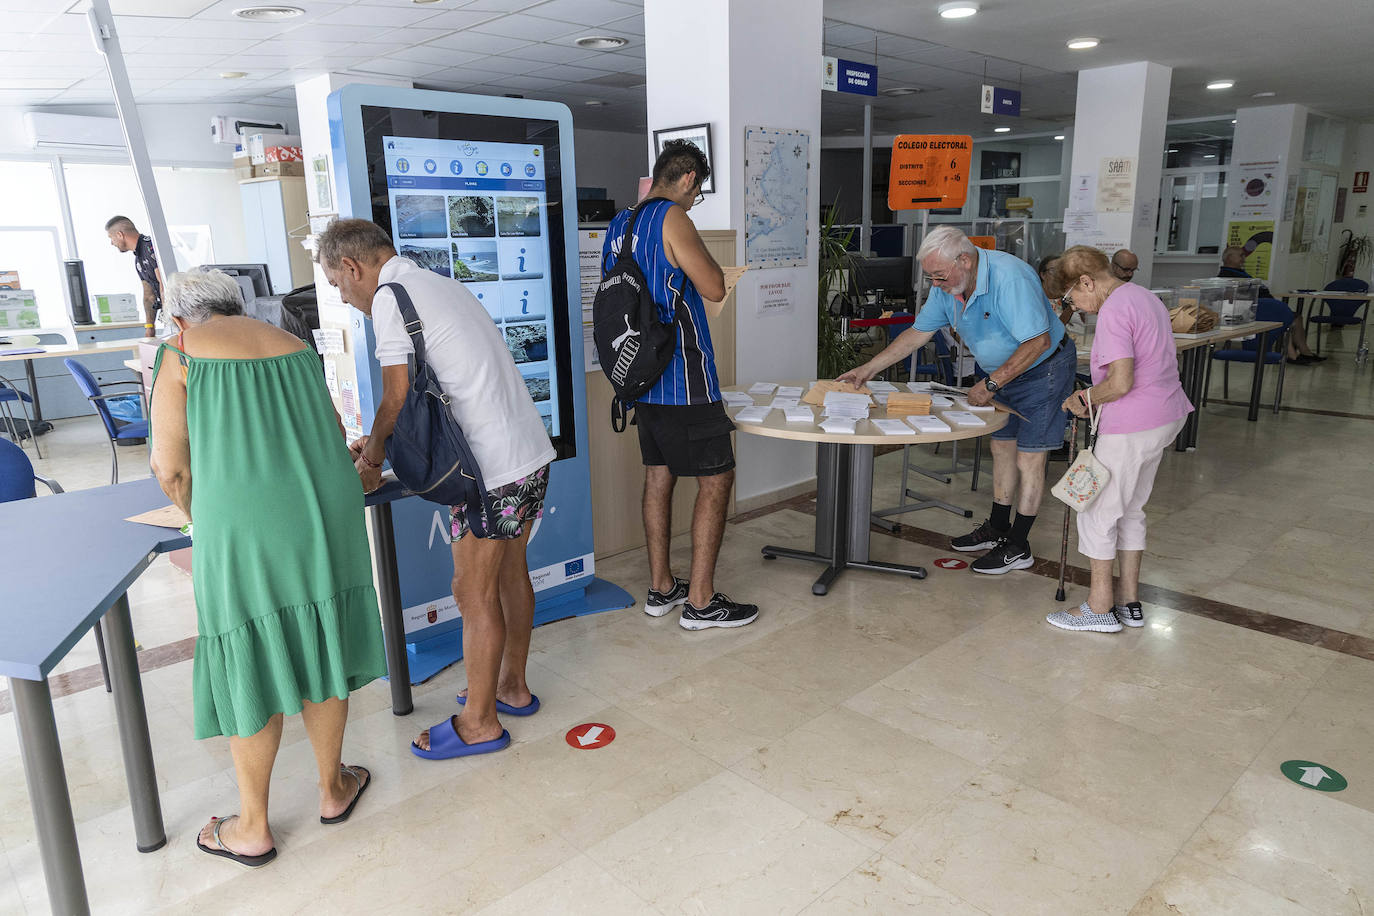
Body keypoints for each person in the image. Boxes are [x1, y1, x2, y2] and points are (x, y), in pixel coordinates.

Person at [148, 269, 386, 867]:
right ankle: (333, 789)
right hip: (322, 514)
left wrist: (201, 515)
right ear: (238, 304)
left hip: (243, 528)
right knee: (323, 641)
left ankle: (252, 826)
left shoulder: (178, 355)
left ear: (179, 319)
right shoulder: (298, 348)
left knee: (249, 654)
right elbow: (334, 437)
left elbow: (169, 468)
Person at [316, 218, 556, 760]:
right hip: (527, 455)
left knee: (472, 592)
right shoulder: (438, 282)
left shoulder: (387, 298)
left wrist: (372, 456)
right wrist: (376, 441)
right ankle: (511, 687)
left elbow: (397, 396)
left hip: (488, 472)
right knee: (510, 573)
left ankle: (479, 723)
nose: (342, 295)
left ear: (352, 267)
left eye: (336, 284)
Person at [840, 226, 1075, 575]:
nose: (936, 284)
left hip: (1043, 369)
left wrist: (991, 383)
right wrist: (869, 368)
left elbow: (1037, 342)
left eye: (939, 276)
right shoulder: (950, 286)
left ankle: (1018, 545)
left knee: (1030, 458)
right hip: (1002, 373)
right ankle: (997, 528)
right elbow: (918, 333)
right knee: (1002, 449)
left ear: (964, 260)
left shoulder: (1010, 278)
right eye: (931, 277)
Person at [601, 140, 759, 629]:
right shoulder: (673, 218)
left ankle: (661, 587)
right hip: (683, 377)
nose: (694, 202)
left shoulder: (619, 224)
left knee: (659, 474)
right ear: (689, 178)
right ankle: (702, 601)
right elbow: (713, 286)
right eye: (698, 193)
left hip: (638, 377)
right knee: (717, 479)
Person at [1045, 247, 1193, 633]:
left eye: (1071, 297)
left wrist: (1084, 399)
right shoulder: (1144, 296)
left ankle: (1098, 607)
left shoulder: (1112, 310)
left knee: (1098, 511)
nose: (1075, 306)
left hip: (1132, 423)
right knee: (1130, 509)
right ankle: (1129, 602)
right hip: (1165, 415)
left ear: (1087, 282)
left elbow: (1121, 383)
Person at [1219, 246, 1323, 363]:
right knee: (1291, 319)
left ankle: (1299, 353)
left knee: (1291, 317)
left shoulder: (1239, 273)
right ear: (1229, 258)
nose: (1244, 259)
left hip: (1261, 308)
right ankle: (1297, 353)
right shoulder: (1227, 276)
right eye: (1241, 255)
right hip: (1251, 312)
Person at [105, 216, 164, 337]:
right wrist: (149, 327)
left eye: (111, 238)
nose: (112, 243)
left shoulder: (151, 247)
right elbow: (149, 295)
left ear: (120, 235)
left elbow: (165, 286)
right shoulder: (138, 259)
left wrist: (172, 322)